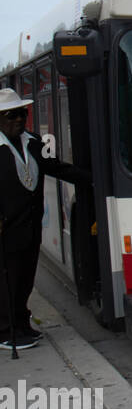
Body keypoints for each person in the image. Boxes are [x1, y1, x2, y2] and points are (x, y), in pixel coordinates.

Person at [0, 88, 90, 350]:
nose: (19, 120)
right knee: (7, 281)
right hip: (6, 228)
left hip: (29, 226)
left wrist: (94, 179)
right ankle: (7, 331)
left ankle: (22, 323)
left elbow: (59, 168)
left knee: (25, 278)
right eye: (11, 115)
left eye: (22, 114)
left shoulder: (33, 143)